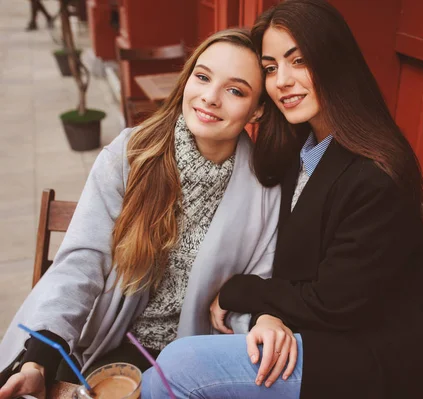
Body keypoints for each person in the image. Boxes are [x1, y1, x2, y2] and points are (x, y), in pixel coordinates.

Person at [142, 1, 423, 398]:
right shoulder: (300, 148)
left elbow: (333, 302)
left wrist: (242, 292)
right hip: (314, 330)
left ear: (333, 59)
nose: (281, 80)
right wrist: (268, 312)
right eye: (270, 68)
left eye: (298, 60)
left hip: (373, 358)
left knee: (178, 369)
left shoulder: (377, 173)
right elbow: (289, 262)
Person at [0, 28, 279, 399]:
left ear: (257, 109)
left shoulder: (265, 188)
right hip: (109, 342)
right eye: (203, 76)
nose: (210, 98)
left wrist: (258, 319)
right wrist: (39, 359)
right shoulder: (131, 153)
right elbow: (83, 261)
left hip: (196, 358)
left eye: (235, 90)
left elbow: (256, 289)